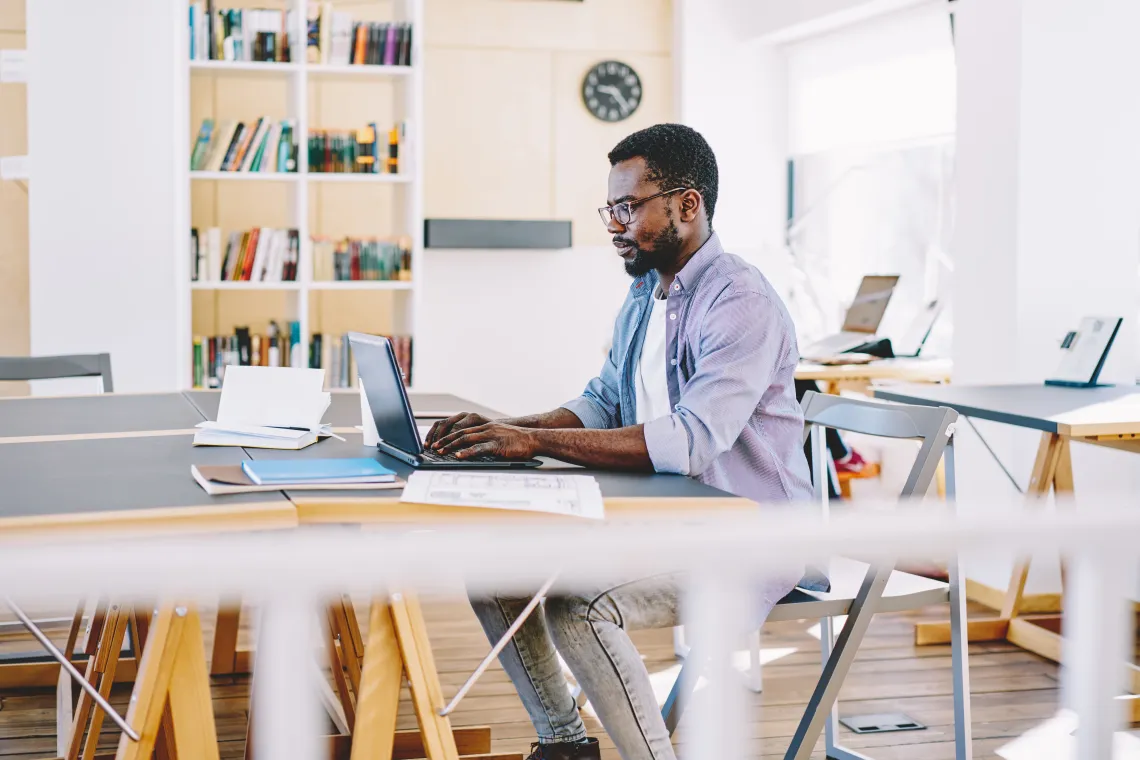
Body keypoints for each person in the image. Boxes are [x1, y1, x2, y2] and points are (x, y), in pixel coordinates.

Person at [423, 124, 816, 760]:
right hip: (659, 520)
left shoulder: (739, 301)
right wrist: (508, 432)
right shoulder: (643, 293)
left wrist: (529, 445)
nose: (613, 223)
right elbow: (601, 401)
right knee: (494, 574)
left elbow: (689, 441)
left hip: (746, 536)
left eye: (628, 207)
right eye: (610, 207)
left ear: (687, 205)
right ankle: (568, 746)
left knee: (579, 606)